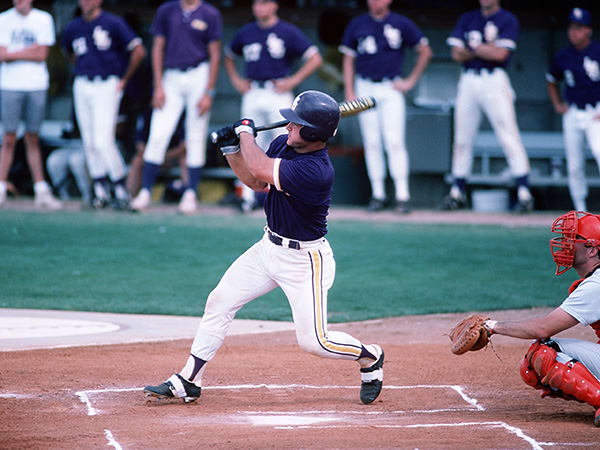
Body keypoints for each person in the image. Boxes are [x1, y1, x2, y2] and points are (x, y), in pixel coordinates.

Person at [143, 90, 385, 406]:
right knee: (220, 301)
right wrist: (232, 148)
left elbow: (259, 167)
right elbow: (256, 182)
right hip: (267, 248)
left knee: (315, 342)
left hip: (304, 261)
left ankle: (370, 356)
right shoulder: (285, 144)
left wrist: (245, 132)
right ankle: (189, 380)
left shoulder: (316, 170)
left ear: (313, 132)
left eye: (296, 123)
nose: (287, 126)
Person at [456, 210, 600, 426]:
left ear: (592, 250)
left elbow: (542, 329)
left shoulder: (595, 286)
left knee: (543, 351)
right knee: (532, 368)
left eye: (572, 239)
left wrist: (492, 326)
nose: (565, 244)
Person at [224, 0, 322, 213]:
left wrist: (292, 81)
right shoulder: (246, 31)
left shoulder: (287, 30)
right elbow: (229, 56)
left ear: (275, 6)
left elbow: (315, 58)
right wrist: (236, 80)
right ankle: (247, 197)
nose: (259, 7)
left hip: (278, 90)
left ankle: (290, 194)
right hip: (253, 90)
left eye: (264, 3)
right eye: (256, 3)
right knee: (247, 139)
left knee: (288, 140)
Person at [339, 0, 432, 214]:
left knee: (394, 141)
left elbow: (425, 51)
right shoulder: (358, 24)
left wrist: (410, 81)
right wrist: (350, 91)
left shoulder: (401, 23)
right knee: (372, 142)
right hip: (365, 86)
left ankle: (402, 195)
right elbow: (348, 59)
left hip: (391, 86)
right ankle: (378, 194)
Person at [130, 0, 222, 215]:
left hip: (199, 73)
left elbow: (215, 53)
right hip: (171, 75)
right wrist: (158, 85)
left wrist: (209, 91)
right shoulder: (166, 9)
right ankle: (145, 192)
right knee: (159, 132)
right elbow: (158, 47)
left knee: (195, 133)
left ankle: (190, 193)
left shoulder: (210, 12)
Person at [443, 0, 533, 212]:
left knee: (507, 134)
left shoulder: (507, 19)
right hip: (468, 79)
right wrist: (484, 49)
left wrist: (472, 47)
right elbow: (455, 53)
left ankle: (524, 192)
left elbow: (500, 54)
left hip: (494, 79)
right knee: (463, 137)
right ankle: (457, 191)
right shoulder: (468, 18)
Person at [61, 0, 146, 210]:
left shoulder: (113, 22)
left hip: (107, 82)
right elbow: (68, 52)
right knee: (89, 139)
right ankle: (100, 190)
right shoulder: (74, 26)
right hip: (83, 82)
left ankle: (120, 187)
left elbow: (138, 50)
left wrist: (124, 79)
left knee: (102, 139)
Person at [0, 0, 62, 209]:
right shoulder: (4, 19)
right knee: (9, 137)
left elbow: (42, 54)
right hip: (10, 85)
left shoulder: (43, 19)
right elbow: (1, 54)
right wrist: (30, 50)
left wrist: (13, 53)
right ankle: (1, 187)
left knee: (32, 137)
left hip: (36, 85)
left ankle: (41, 189)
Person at [547, 8, 600, 213]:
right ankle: (580, 211)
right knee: (574, 165)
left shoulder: (597, 51)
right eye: (571, 27)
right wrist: (558, 104)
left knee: (599, 153)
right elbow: (551, 80)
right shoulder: (563, 56)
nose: (573, 32)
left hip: (595, 111)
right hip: (573, 112)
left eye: (579, 27)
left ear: (588, 30)